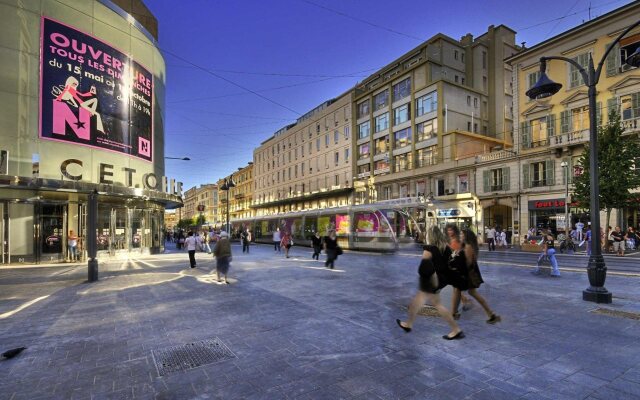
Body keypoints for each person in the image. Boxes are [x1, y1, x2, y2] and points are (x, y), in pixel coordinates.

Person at [396, 226, 464, 340]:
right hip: (441, 280)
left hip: (431, 280)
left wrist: (430, 277)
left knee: (430, 304)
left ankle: (456, 329)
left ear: (430, 236)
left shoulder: (429, 248)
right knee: (420, 302)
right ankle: (408, 324)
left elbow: (424, 267)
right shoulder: (446, 248)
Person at [451, 230, 501, 324]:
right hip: (464, 274)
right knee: (462, 291)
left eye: (462, 234)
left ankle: (454, 313)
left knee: (465, 291)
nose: (460, 235)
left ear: (467, 236)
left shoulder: (469, 246)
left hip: (467, 275)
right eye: (460, 234)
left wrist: (456, 261)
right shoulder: (464, 246)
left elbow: (468, 263)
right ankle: (491, 314)